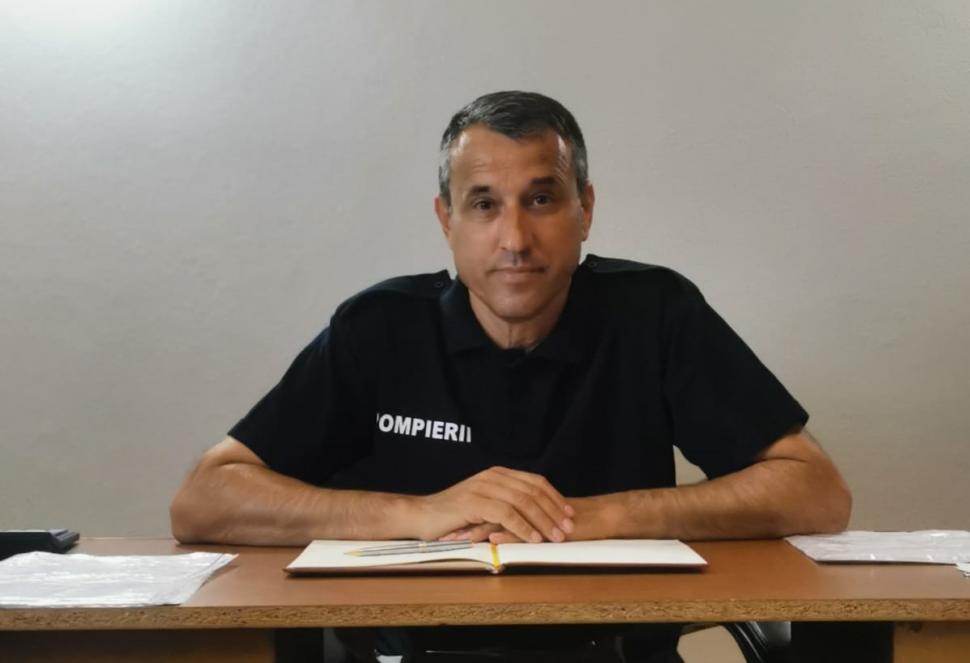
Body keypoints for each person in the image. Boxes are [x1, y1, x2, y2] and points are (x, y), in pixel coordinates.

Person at [171, 91, 851, 662]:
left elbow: (817, 492)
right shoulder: (379, 327)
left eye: (542, 199)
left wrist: (604, 516)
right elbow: (205, 500)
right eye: (484, 204)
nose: (516, 240)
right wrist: (421, 514)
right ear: (446, 220)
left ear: (585, 210)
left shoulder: (655, 312)